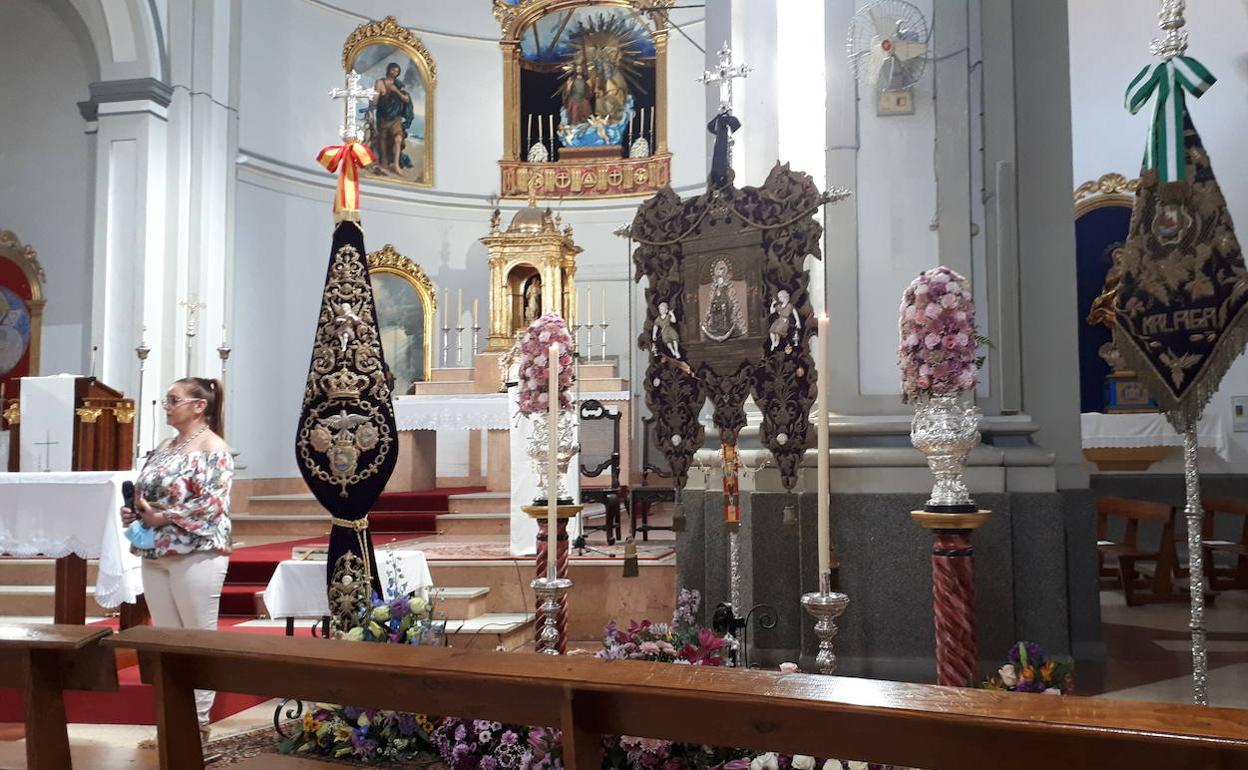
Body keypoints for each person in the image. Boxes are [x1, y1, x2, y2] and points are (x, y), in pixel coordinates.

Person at [121, 377, 232, 744]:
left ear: (199, 406)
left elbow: (211, 504)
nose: (166, 406)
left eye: (173, 400)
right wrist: (136, 512)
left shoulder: (214, 447)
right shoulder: (165, 447)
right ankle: (172, 722)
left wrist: (163, 517)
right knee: (167, 641)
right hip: (156, 552)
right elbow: (148, 493)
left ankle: (197, 726)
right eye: (166, 400)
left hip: (196, 552)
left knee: (197, 638)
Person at [372, 62, 415, 175]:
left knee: (398, 139)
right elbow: (375, 100)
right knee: (383, 140)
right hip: (383, 117)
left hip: (396, 118)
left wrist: (396, 91)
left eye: (397, 71)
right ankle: (384, 164)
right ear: (388, 70)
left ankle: (396, 165)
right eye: (393, 70)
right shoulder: (380, 82)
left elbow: (406, 99)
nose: (394, 73)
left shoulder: (399, 84)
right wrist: (372, 106)